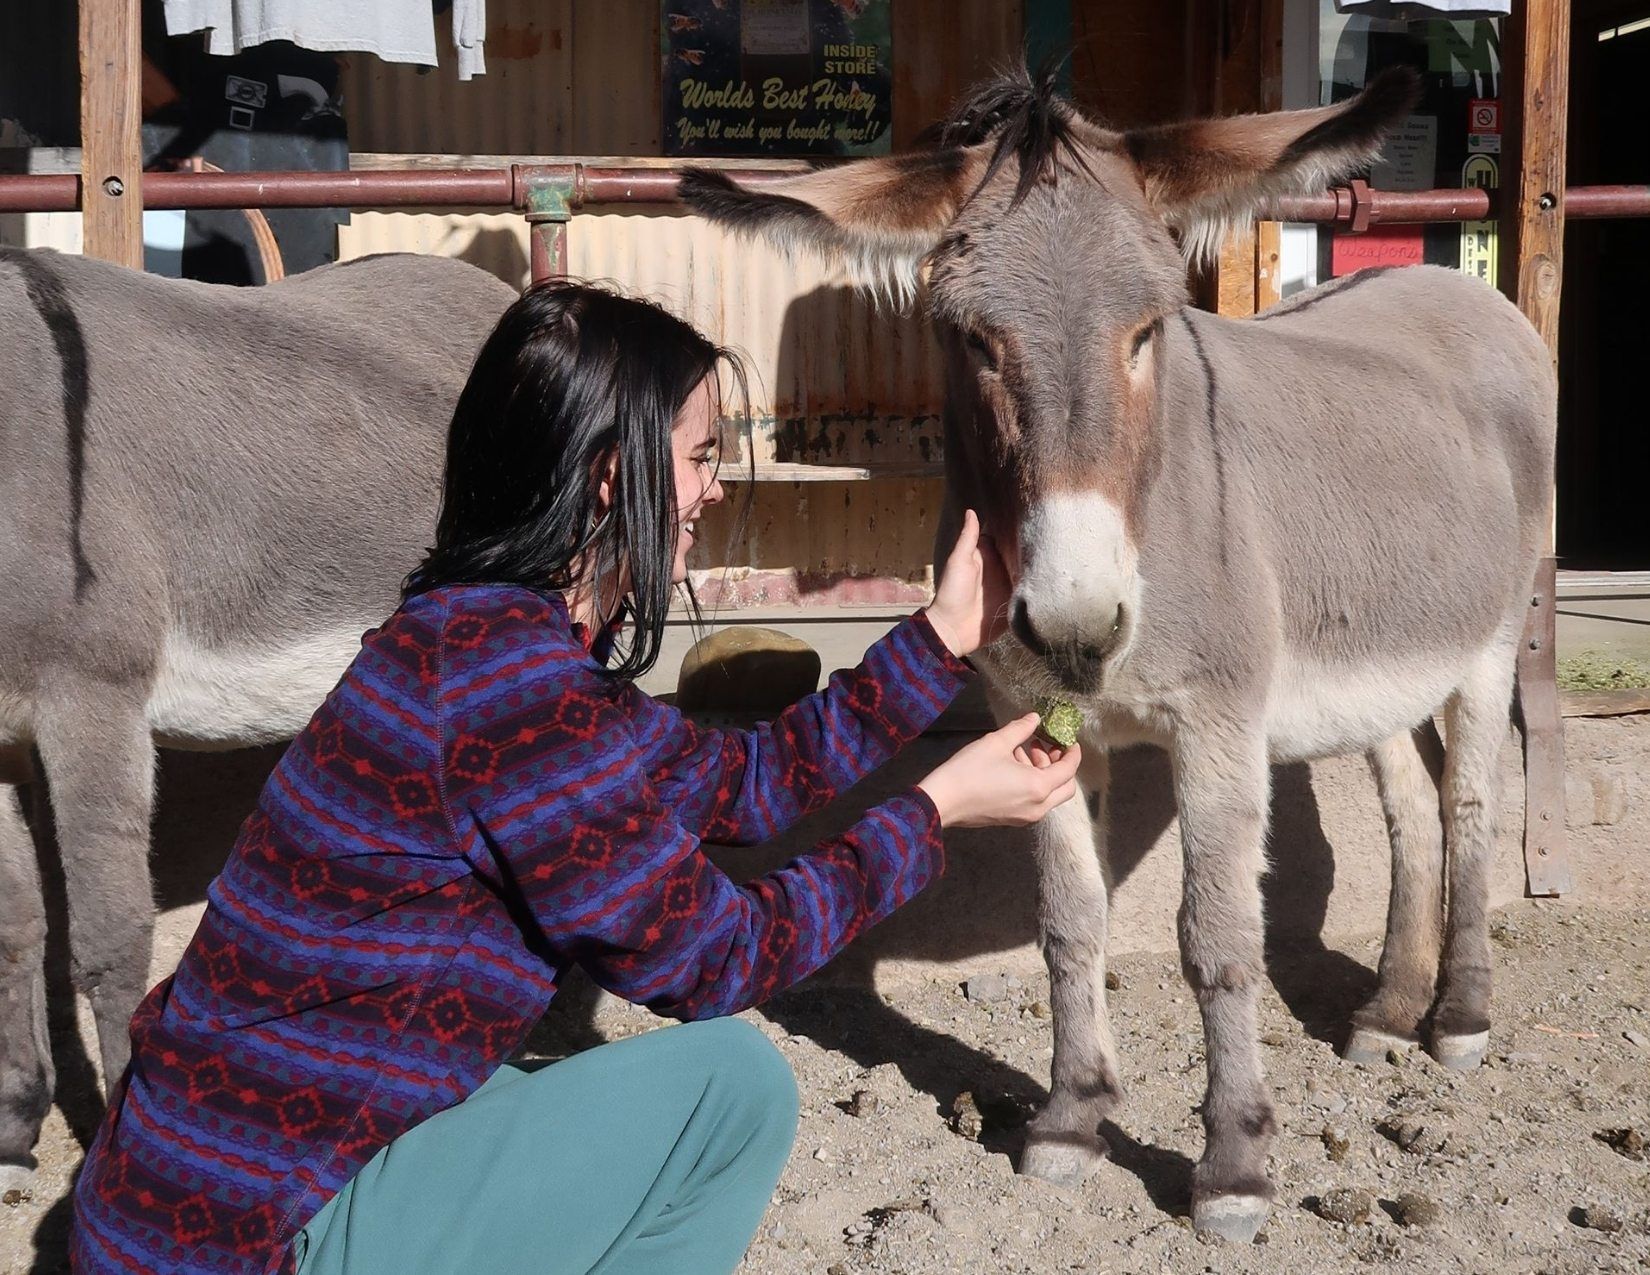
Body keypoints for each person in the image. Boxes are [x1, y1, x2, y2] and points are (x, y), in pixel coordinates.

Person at [71, 280, 1081, 1275]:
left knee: (521, 1085)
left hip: (180, 1211)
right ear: (611, 473)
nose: (713, 492)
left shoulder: (472, 643)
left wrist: (946, 632)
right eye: (698, 458)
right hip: (248, 1241)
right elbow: (716, 960)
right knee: (730, 1088)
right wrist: (937, 807)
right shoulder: (512, 695)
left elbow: (747, 786)